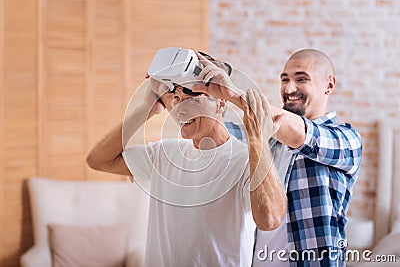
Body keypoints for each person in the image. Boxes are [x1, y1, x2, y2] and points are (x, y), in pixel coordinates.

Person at [86, 51, 287, 266]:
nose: (179, 109)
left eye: (190, 97)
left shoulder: (247, 161)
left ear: (221, 103)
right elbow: (98, 160)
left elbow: (270, 219)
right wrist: (146, 109)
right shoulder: (163, 155)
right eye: (176, 99)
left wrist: (257, 138)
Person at [210, 49, 362, 266]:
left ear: (329, 85)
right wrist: (192, 86)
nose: (289, 88)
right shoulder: (267, 140)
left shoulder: (346, 139)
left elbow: (300, 133)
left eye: (301, 79)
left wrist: (231, 92)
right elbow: (211, 131)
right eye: (285, 80)